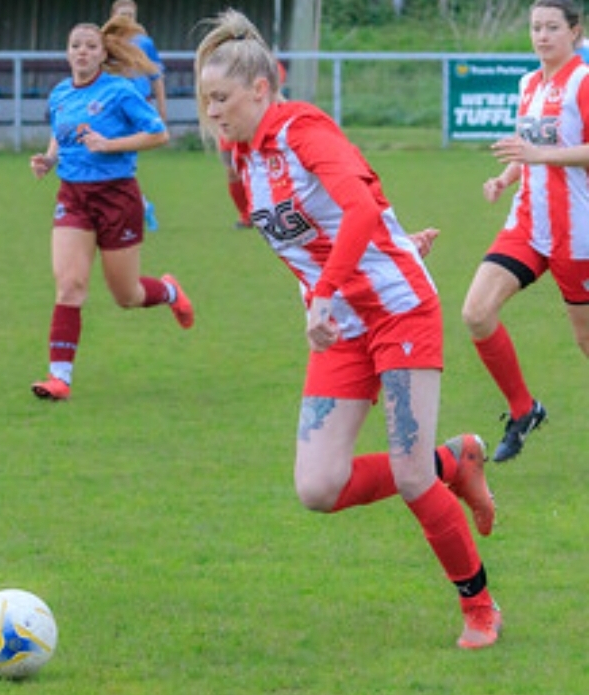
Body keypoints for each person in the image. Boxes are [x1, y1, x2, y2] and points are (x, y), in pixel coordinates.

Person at [195, 8, 501, 649]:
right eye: (205, 99)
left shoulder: (301, 129)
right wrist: (365, 259)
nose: (212, 111)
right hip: (342, 326)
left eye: (221, 97)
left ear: (261, 88)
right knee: (317, 487)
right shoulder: (240, 162)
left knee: (412, 478)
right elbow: (321, 231)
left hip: (398, 312)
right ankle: (457, 459)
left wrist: (340, 284)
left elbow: (357, 205)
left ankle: (479, 608)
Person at [28, 18, 190, 401]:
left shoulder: (120, 91)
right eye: (75, 45)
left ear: (103, 54)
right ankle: (59, 378)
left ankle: (168, 291)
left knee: (126, 295)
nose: (81, 52)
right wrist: (49, 160)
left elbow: (159, 133)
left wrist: (110, 145)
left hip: (117, 198)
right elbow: (60, 132)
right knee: (70, 286)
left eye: (90, 46)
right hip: (73, 197)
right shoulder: (60, 94)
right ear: (67, 53)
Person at [461, 0, 589, 463]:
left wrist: (538, 156)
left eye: (552, 27)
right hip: (528, 226)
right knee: (476, 312)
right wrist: (507, 176)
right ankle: (524, 409)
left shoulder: (584, 82)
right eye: (536, 27)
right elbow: (531, 148)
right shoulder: (528, 83)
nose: (542, 36)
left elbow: (566, 151)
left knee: (585, 342)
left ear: (575, 31)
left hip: (578, 233)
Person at [109, 0, 165, 231]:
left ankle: (135, 207)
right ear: (113, 15)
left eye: (131, 15)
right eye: (123, 14)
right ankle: (140, 206)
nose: (128, 19)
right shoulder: (106, 42)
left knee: (121, 159)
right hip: (111, 106)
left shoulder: (144, 42)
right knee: (117, 161)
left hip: (138, 105)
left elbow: (156, 75)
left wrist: (162, 106)